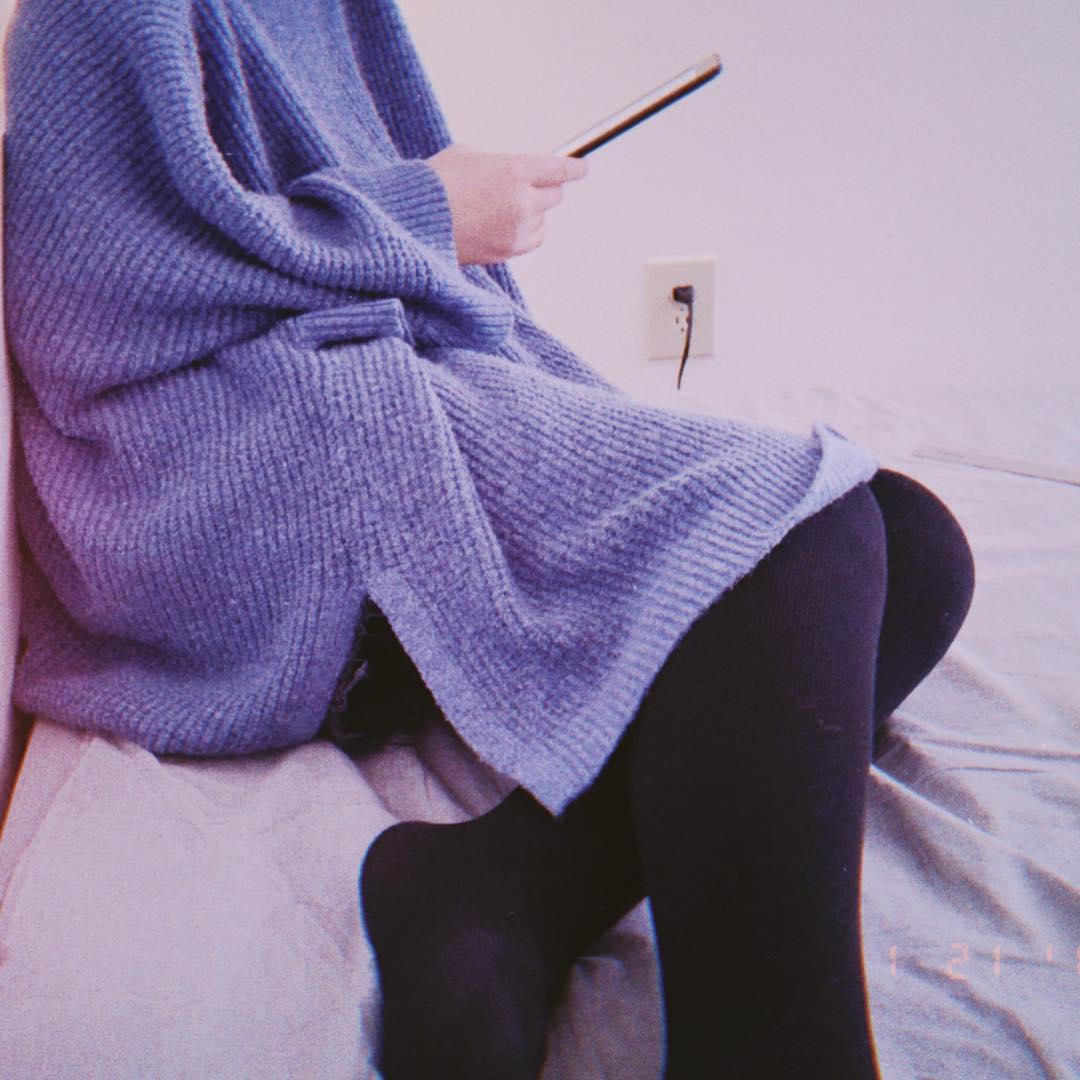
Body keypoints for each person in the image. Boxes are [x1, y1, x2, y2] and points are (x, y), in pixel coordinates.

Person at [4, 1, 974, 1077]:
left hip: (359, 396)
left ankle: (504, 891)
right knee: (796, 537)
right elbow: (88, 300)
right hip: (233, 487)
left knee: (912, 545)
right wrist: (431, 211)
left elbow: (379, 242)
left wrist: (446, 217)